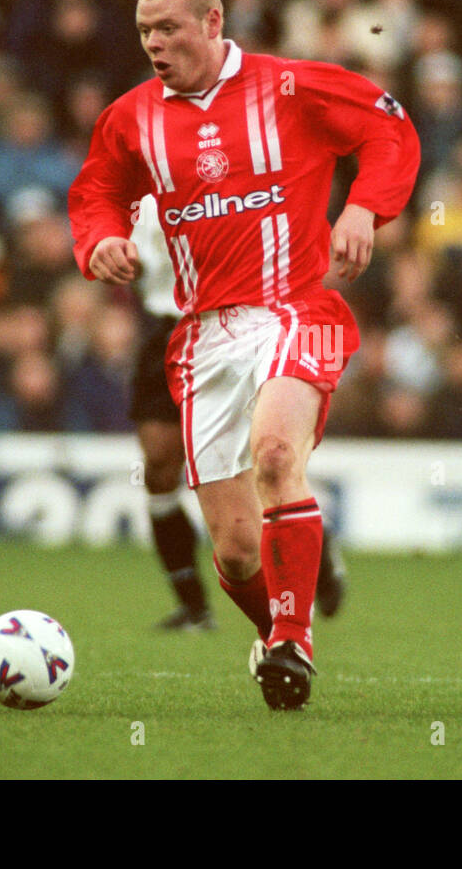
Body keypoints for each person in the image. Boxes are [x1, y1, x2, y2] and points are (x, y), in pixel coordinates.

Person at [68, 0, 418, 709]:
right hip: (201, 335)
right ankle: (283, 638)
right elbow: (98, 188)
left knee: (278, 455)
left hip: (294, 307)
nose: (155, 44)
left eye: (169, 28)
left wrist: (364, 208)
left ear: (214, 21)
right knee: (232, 546)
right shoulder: (133, 117)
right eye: (144, 32)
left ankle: (290, 639)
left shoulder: (291, 86)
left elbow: (388, 125)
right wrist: (98, 240)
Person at [129, 193, 348, 632]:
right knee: (159, 465)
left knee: (252, 468)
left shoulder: (222, 169)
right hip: (166, 332)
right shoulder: (132, 181)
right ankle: (194, 606)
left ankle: (314, 552)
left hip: (234, 327)